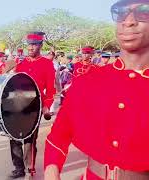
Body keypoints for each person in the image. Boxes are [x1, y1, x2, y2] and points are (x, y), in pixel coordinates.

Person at [44, 0, 149, 179]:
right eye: (121, 12)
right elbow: (58, 135)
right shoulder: (89, 81)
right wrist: (51, 170)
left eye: (144, 11)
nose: (128, 21)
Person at [5, 31, 56, 178]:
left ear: (40, 45)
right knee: (13, 136)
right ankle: (18, 168)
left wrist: (47, 105)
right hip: (17, 105)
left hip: (35, 106)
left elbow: (51, 89)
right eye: (29, 45)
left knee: (29, 140)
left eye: (34, 44)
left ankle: (30, 169)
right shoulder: (21, 64)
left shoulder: (47, 64)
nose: (31, 47)